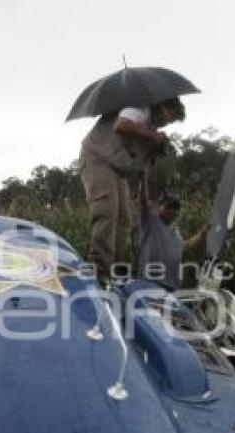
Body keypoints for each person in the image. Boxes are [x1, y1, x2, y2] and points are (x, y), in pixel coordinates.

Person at [79, 97, 185, 283]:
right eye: (171, 117)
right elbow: (122, 125)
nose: (168, 123)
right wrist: (152, 136)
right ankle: (99, 272)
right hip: (97, 158)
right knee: (107, 211)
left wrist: (154, 148)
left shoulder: (150, 126)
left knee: (125, 218)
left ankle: (119, 273)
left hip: (116, 167)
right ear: (163, 107)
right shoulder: (139, 107)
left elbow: (140, 164)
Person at [137, 186, 208, 290]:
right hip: (150, 284)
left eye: (176, 208)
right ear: (160, 206)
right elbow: (143, 201)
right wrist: (143, 178)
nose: (173, 211)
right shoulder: (151, 221)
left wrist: (201, 234)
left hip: (171, 288)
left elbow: (184, 246)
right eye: (169, 206)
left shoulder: (175, 230)